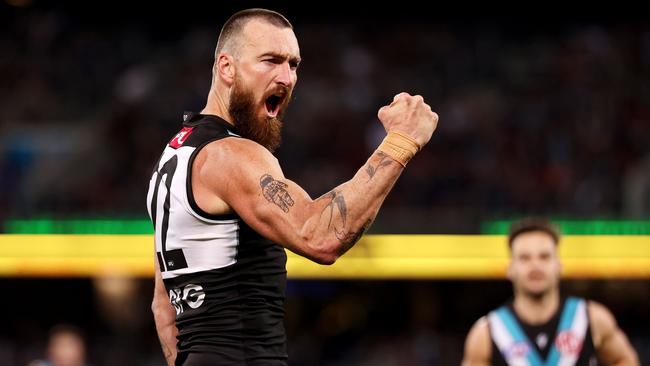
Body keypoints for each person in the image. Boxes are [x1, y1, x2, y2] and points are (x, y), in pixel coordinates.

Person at [146, 8, 438, 366]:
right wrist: (400, 141)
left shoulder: (176, 152)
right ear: (226, 67)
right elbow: (320, 236)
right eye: (270, 60)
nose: (286, 77)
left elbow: (163, 305)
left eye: (293, 64)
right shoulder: (230, 155)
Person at [462, 217, 639, 366]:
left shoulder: (592, 318)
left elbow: (625, 359)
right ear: (510, 268)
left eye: (544, 256)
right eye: (525, 258)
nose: (535, 265)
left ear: (559, 265)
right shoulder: (486, 333)